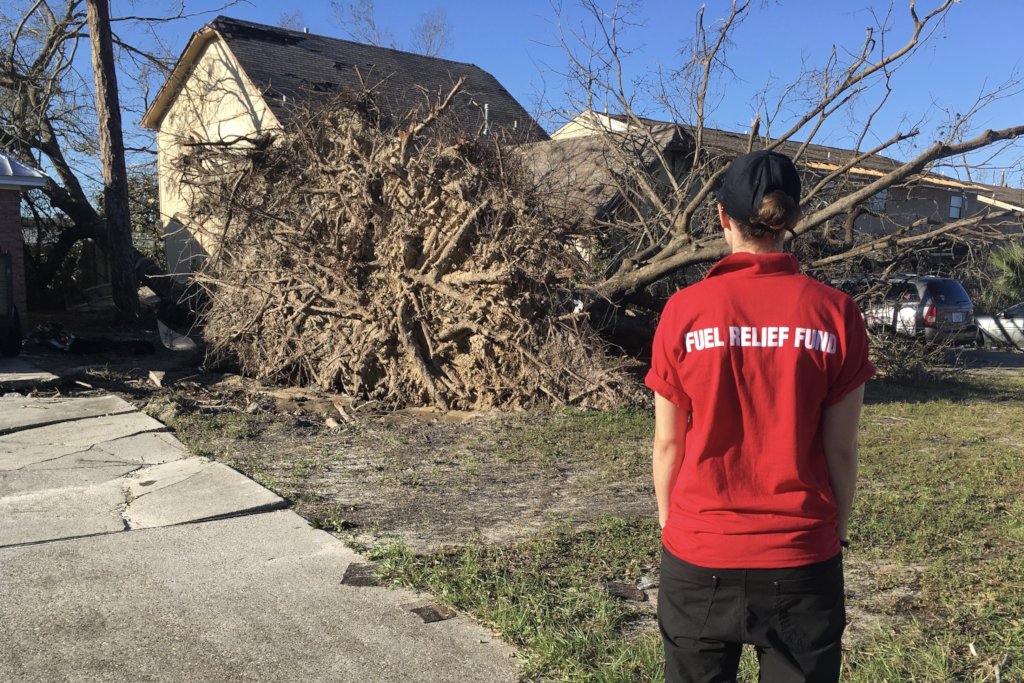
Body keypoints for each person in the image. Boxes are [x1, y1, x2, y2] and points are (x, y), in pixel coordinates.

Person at [646, 150, 875, 683]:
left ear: (721, 217)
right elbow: (841, 449)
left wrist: (671, 525)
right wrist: (836, 533)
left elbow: (668, 444)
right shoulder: (836, 313)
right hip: (802, 559)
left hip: (699, 555)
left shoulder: (684, 311)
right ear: (793, 219)